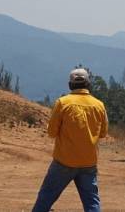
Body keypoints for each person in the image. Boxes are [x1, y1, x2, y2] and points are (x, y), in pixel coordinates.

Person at [32, 68, 108, 212]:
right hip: (89, 161)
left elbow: (51, 132)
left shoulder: (62, 103)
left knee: (45, 198)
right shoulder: (99, 105)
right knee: (92, 202)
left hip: (64, 161)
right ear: (88, 84)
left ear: (70, 85)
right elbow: (103, 133)